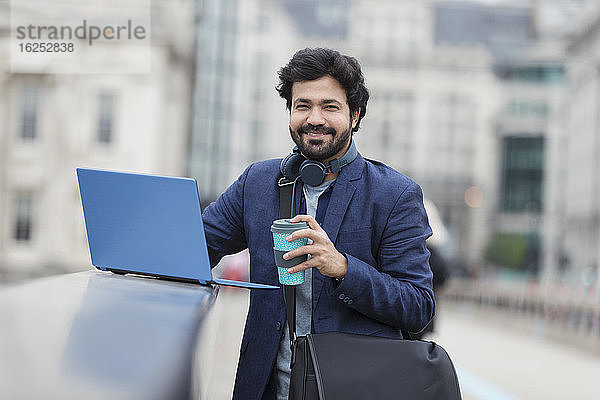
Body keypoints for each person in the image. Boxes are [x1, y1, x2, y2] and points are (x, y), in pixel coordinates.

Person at [202, 47, 434, 400]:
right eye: (302, 105)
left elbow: (418, 308)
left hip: (353, 388)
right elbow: (196, 246)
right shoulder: (257, 182)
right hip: (265, 387)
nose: (314, 118)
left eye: (330, 106)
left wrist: (342, 268)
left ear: (354, 115)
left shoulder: (394, 194)